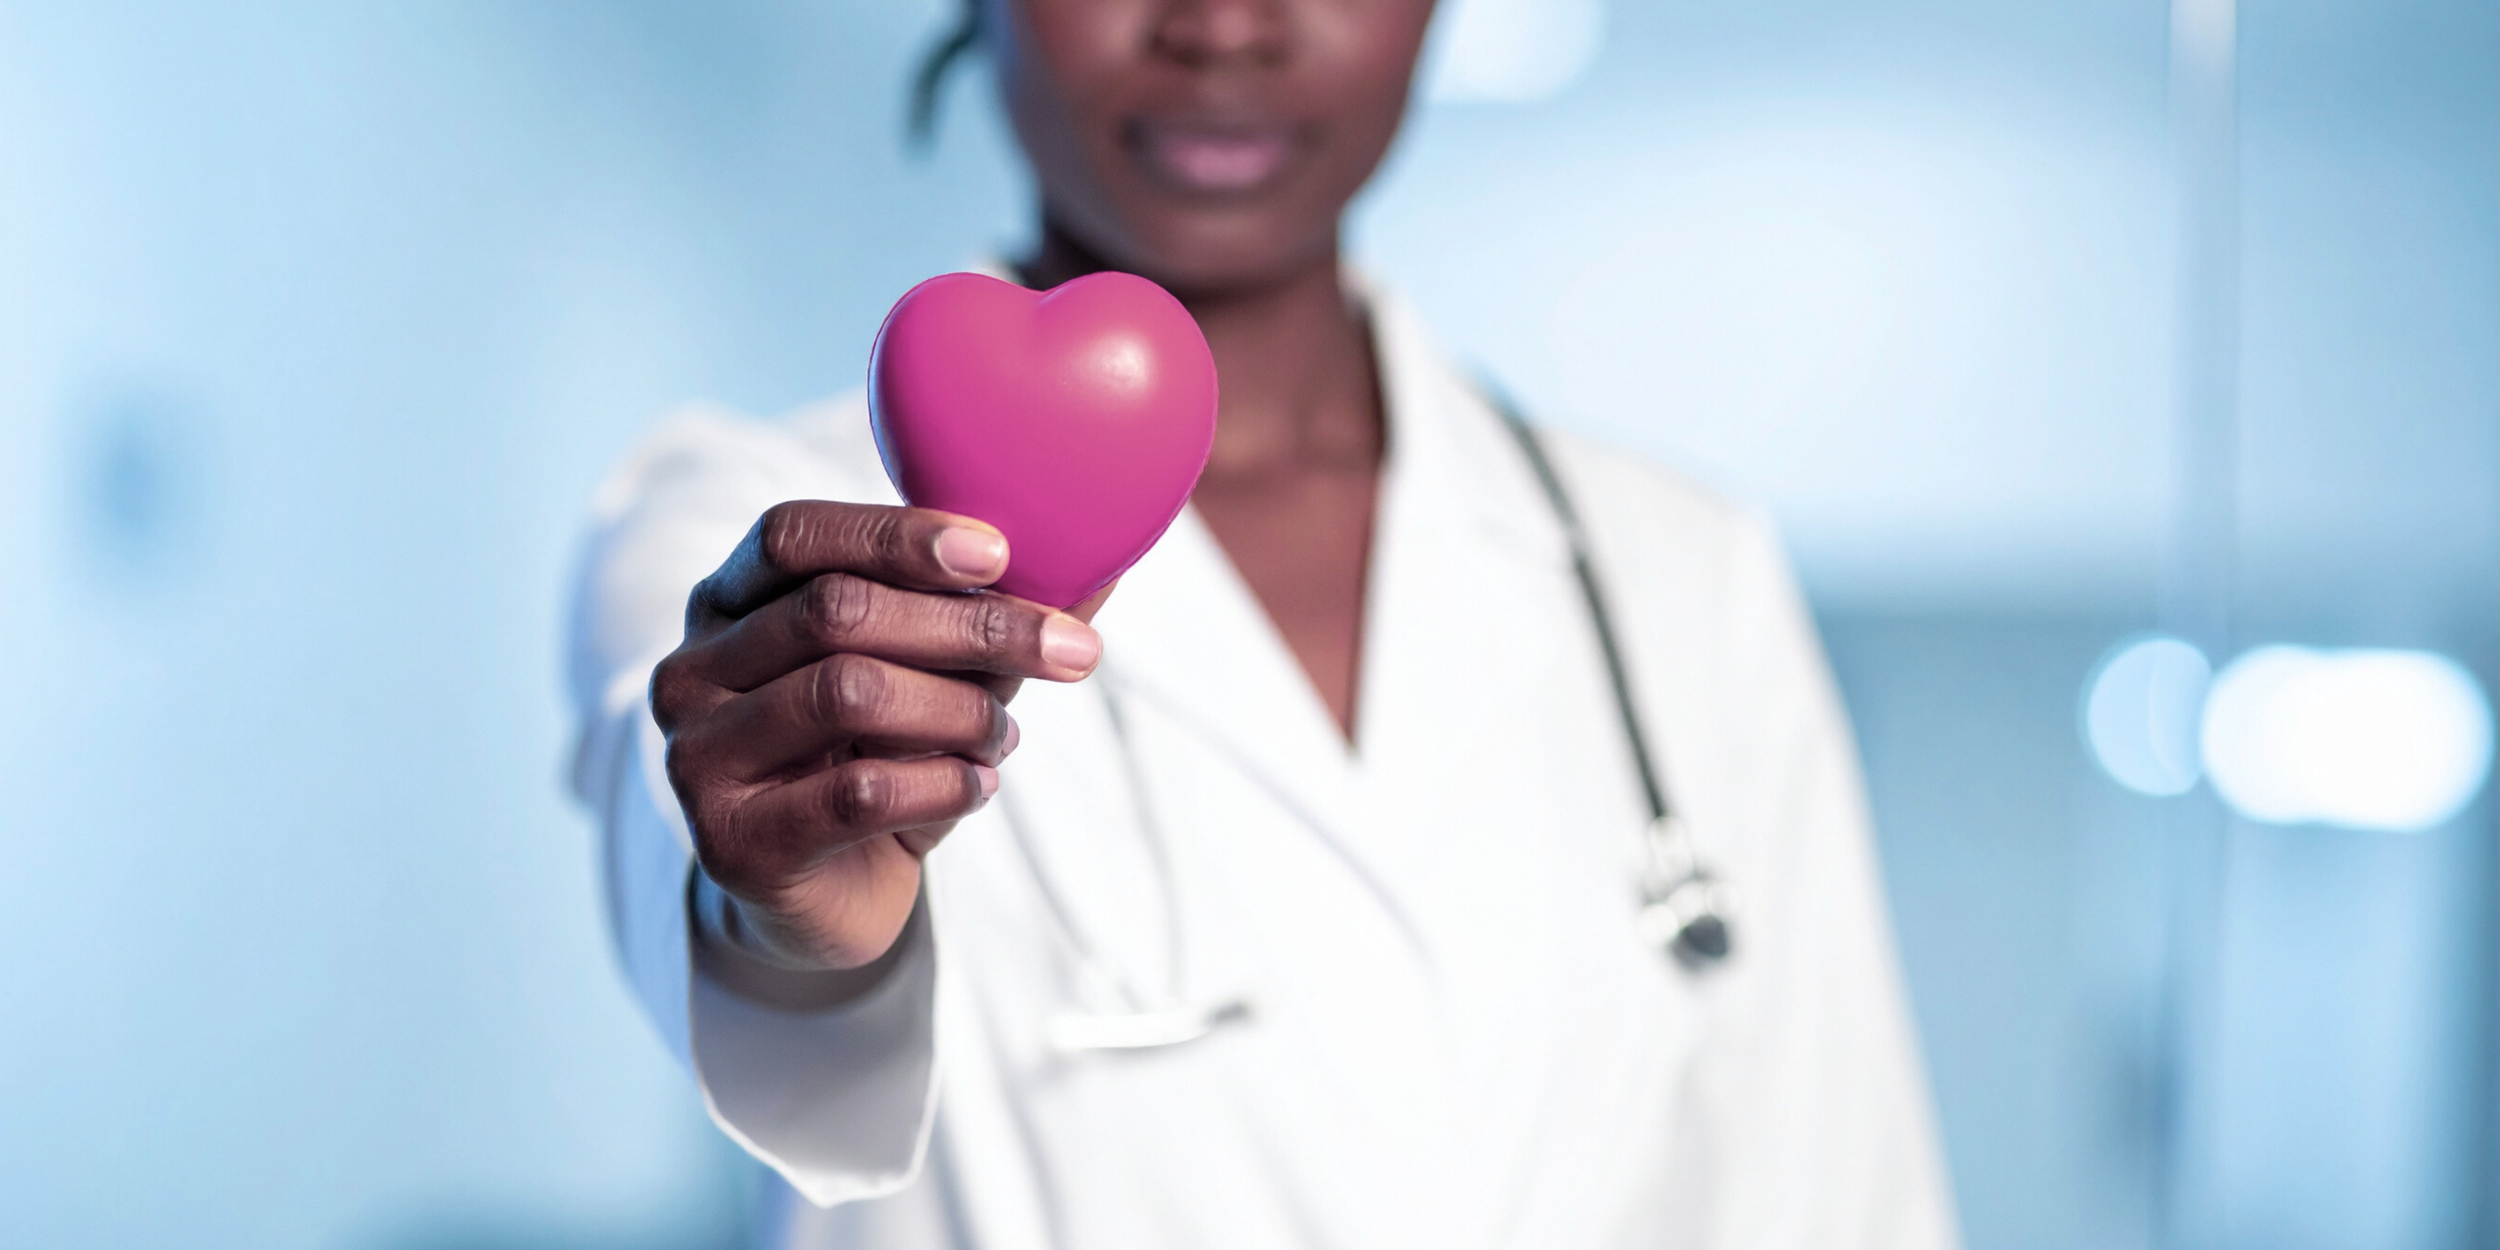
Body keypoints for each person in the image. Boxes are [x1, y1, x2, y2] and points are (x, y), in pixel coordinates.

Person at [565, 1, 1958, 1245]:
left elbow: (1843, 1193)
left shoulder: (1685, 572)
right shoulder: (748, 534)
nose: (1225, 26)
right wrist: (782, 918)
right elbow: (698, 887)